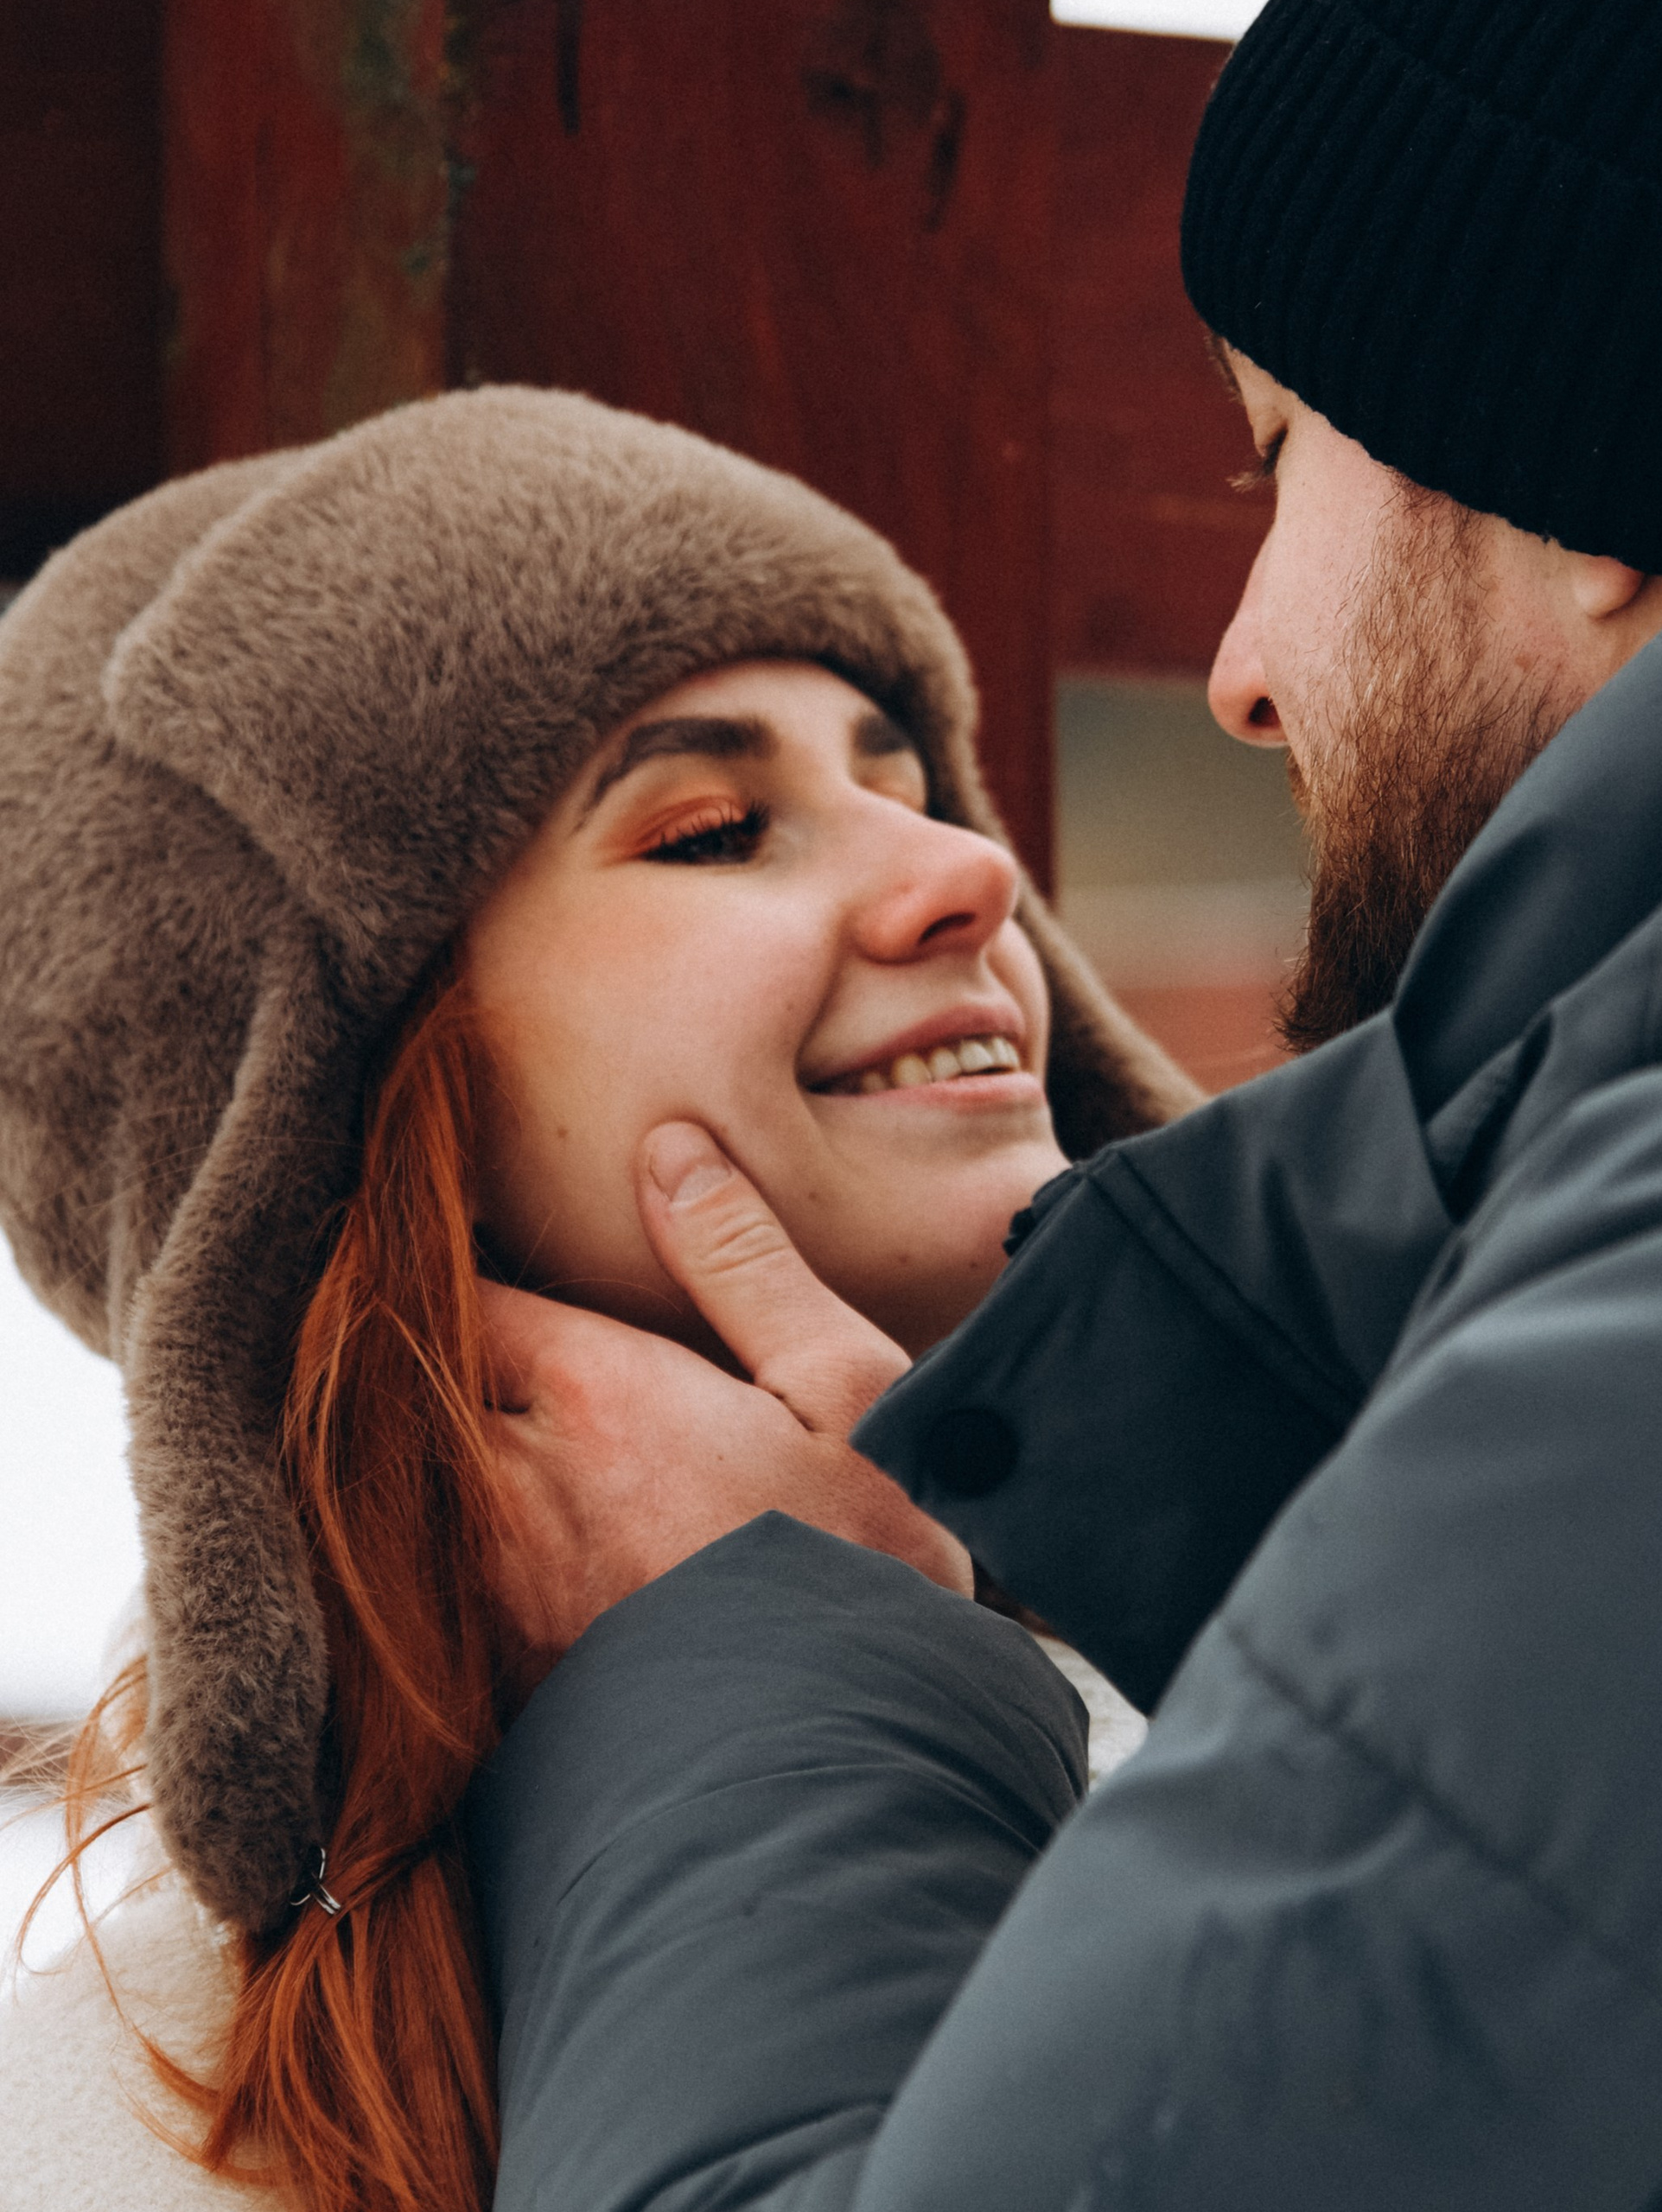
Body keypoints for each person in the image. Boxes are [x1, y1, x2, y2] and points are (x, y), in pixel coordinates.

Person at [461, 0, 1662, 2204]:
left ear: (1573, 439)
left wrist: (761, 1659)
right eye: (713, 828)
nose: (1238, 661)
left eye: (1271, 450)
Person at [0, 385, 1190, 2212]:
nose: (970, 870)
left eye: (905, 784)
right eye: (713, 827)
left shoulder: (1288, 1726)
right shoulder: (108, 2122)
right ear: (323, 1120)